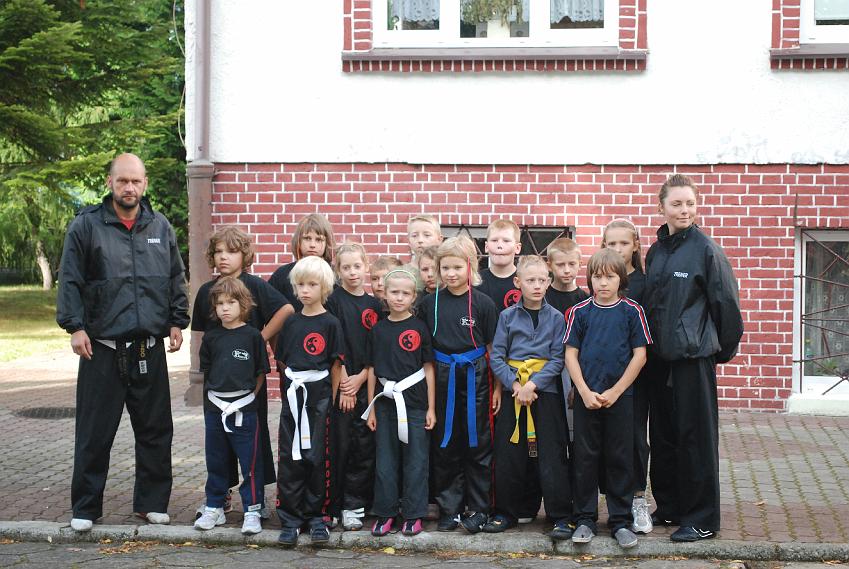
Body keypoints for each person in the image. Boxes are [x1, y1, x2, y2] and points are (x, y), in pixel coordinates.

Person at [56, 153, 189, 532]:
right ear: (110, 183)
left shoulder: (159, 226)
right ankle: (86, 508)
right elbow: (70, 279)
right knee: (94, 433)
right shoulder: (86, 226)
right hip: (102, 349)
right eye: (122, 181)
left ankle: (152, 504)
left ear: (145, 183)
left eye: (135, 181)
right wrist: (75, 327)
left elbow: (175, 276)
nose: (129, 187)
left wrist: (177, 320)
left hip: (148, 349)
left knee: (155, 431)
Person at [642, 174, 743, 542]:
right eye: (676, 204)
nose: (684, 210)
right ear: (662, 207)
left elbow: (726, 307)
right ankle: (670, 506)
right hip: (659, 361)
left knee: (695, 440)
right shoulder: (656, 252)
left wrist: (715, 352)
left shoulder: (706, 251)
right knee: (664, 437)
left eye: (690, 203)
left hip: (693, 360)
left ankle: (701, 518)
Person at [191, 226, 293, 519]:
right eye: (218, 252)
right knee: (218, 442)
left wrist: (259, 338)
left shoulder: (255, 286)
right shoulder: (207, 292)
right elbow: (202, 335)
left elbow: (286, 309)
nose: (223, 257)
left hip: (249, 382)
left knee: (253, 440)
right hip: (218, 384)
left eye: (231, 251)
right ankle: (220, 496)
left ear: (244, 255)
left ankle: (256, 499)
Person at [564, 249, 651, 549]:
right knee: (585, 458)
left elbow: (640, 356)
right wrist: (584, 391)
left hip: (620, 398)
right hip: (587, 398)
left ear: (621, 279)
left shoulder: (632, 311)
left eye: (610, 277)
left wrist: (616, 391)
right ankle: (585, 518)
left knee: (619, 458)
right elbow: (570, 355)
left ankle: (620, 521)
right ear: (589, 279)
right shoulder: (580, 312)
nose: (603, 283)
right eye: (597, 277)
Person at [417, 236, 500, 534]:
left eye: (457, 267)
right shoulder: (429, 304)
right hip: (442, 376)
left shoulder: (483, 303)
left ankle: (479, 508)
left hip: (477, 376)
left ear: (470, 267)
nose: (451, 274)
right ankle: (450, 509)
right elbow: (424, 352)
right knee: (446, 443)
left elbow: (493, 348)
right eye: (445, 268)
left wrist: (498, 388)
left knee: (478, 443)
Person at [486, 256, 573, 540]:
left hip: (544, 392)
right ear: (518, 282)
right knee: (509, 453)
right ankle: (506, 512)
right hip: (513, 392)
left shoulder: (556, 318)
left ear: (548, 282)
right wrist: (515, 384)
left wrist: (532, 384)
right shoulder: (507, 317)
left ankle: (560, 515)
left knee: (552, 453)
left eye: (541, 280)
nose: (536, 286)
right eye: (530, 280)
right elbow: (497, 356)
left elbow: (558, 359)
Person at [274, 256, 345, 547]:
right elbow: (283, 361)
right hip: (294, 398)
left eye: (312, 285)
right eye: (300, 284)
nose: (305, 290)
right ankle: (291, 519)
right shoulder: (291, 322)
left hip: (320, 399)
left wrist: (332, 399)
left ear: (324, 287)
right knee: (291, 457)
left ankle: (318, 517)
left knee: (318, 457)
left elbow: (336, 364)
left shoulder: (331, 323)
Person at [362, 267, 436, 537]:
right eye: (394, 292)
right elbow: (372, 369)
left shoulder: (419, 328)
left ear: (414, 297)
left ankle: (414, 514)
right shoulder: (378, 330)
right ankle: (386, 513)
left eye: (405, 293)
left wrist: (431, 408)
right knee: (385, 462)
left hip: (415, 404)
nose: (399, 297)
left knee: (416, 461)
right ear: (384, 294)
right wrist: (371, 408)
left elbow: (428, 368)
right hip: (385, 404)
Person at [195, 277, 270, 535]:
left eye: (231, 302)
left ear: (243, 304)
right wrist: (215, 404)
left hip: (244, 410)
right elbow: (207, 373)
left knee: (250, 463)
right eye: (220, 304)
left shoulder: (253, 336)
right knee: (216, 460)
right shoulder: (211, 338)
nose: (225, 308)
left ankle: (252, 510)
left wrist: (246, 400)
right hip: (215, 409)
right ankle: (214, 506)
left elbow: (260, 373)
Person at [601, 219, 653, 534]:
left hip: (636, 376)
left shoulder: (645, 284)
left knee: (634, 438)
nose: (618, 249)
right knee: (604, 439)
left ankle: (637, 498)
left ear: (635, 245)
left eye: (623, 243)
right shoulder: (601, 281)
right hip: (601, 375)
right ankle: (610, 501)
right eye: (611, 244)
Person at [326, 243, 382, 531]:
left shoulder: (375, 306)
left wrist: (362, 377)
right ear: (338, 270)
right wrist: (346, 385)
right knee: (341, 447)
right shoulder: (333, 301)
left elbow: (378, 349)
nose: (352, 272)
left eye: (357, 266)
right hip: (343, 385)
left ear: (366, 266)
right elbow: (335, 345)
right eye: (345, 267)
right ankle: (335, 505)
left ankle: (354, 505)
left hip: (366, 384)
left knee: (363, 448)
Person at [269, 214, 336, 313]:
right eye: (307, 238)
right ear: (298, 240)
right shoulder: (282, 274)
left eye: (319, 240)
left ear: (327, 243)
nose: (312, 245)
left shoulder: (336, 275)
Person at [478, 219, 523, 312]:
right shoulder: (476, 281)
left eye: (506, 241)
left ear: (517, 248)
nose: (499, 245)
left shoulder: (525, 281)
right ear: (486, 246)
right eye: (494, 240)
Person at [545, 238, 589, 317]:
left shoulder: (586, 300)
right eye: (560, 265)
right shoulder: (542, 298)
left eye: (572, 264)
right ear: (549, 266)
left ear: (580, 265)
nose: (567, 270)